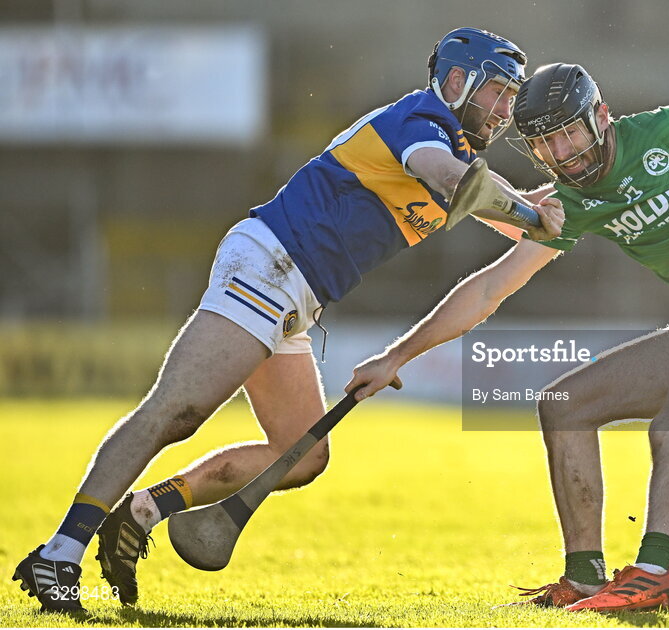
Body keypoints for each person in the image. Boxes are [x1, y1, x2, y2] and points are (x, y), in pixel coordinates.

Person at [13, 28, 563, 614]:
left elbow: (503, 211)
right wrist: (533, 213)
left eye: (511, 97)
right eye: (498, 93)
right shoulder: (421, 122)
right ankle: (58, 554)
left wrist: (572, 204)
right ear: (457, 81)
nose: (505, 111)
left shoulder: (464, 157)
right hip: (271, 263)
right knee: (176, 410)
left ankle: (143, 510)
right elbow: (458, 183)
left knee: (300, 456)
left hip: (297, 295)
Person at [346, 62, 669, 612]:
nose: (564, 152)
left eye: (570, 130)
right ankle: (585, 577)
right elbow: (490, 287)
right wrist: (396, 355)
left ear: (601, 115)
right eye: (546, 143)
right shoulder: (572, 202)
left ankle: (657, 572)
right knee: (564, 406)